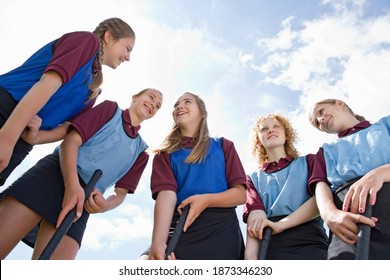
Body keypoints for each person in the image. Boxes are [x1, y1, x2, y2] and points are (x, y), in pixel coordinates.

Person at [0, 88, 163, 260]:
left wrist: (105, 205)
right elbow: (70, 142)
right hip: (55, 174)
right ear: (135, 97)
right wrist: (71, 185)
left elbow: (120, 194)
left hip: (83, 202)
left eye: (158, 106)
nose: (153, 104)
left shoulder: (141, 152)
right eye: (151, 97)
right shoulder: (110, 109)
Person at [0, 17, 136, 186]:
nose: (128, 57)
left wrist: (35, 137)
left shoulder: (94, 86)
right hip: (6, 112)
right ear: (108, 37)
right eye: (127, 48)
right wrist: (6, 139)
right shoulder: (87, 41)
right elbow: (48, 83)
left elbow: (67, 128)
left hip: (21, 140)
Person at [144, 92, 246, 260]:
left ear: (202, 113)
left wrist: (206, 199)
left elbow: (241, 194)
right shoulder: (165, 155)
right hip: (181, 225)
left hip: (222, 230)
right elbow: (166, 195)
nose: (179, 106)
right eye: (176, 105)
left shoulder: (223, 146)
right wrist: (157, 242)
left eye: (187, 102)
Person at [308, 98, 390, 259]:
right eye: (317, 123)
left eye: (321, 111)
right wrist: (329, 214)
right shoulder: (324, 152)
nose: (320, 120)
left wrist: (380, 173)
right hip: (347, 228)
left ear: (339, 103)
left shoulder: (385, 125)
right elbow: (320, 186)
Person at [243, 113, 328, 260]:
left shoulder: (310, 161)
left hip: (309, 240)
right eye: (264, 129)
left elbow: (320, 201)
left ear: (287, 135)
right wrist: (250, 255)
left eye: (276, 126)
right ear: (258, 140)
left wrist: (281, 225)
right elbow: (256, 219)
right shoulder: (252, 179)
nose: (271, 130)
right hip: (271, 244)